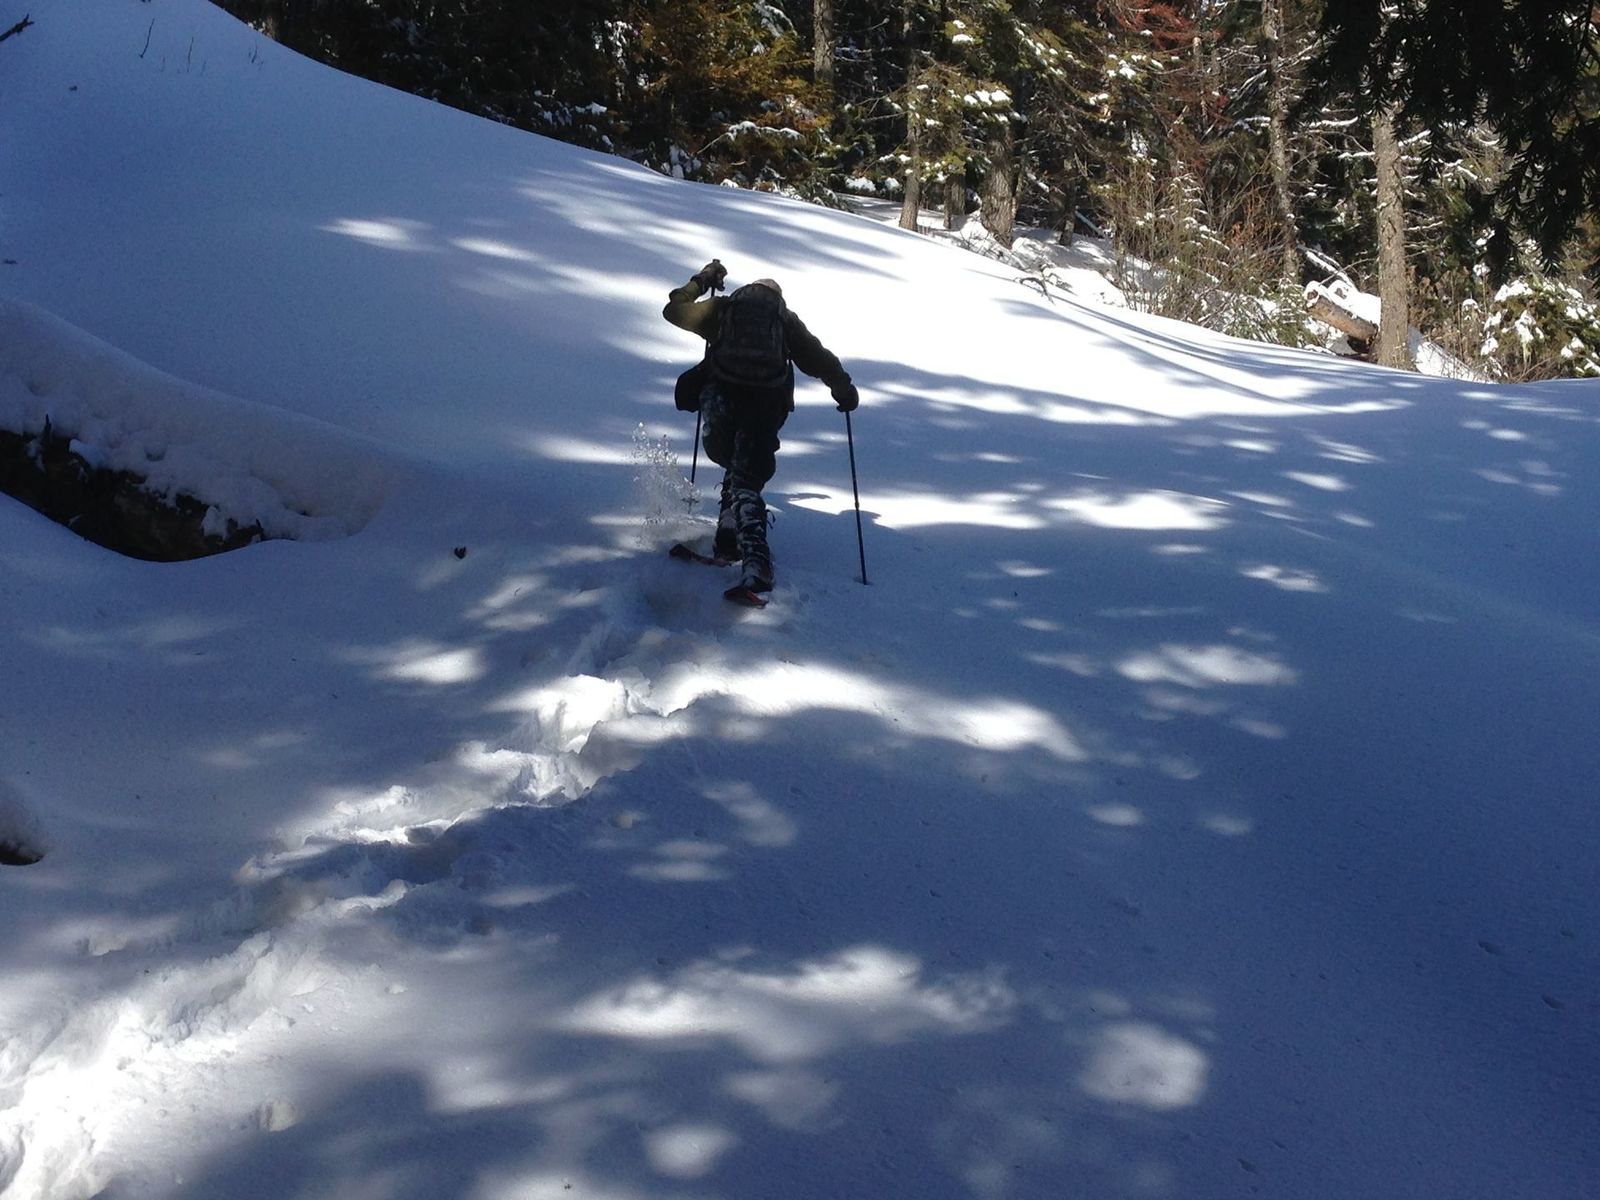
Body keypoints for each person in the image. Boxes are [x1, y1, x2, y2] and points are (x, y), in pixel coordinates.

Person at [662, 259, 859, 594]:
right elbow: (821, 360)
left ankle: (728, 528)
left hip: (722, 396)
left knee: (734, 462)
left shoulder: (723, 310)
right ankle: (756, 562)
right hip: (766, 403)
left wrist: (702, 280)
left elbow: (674, 310)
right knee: (748, 478)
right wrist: (845, 392)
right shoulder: (785, 321)